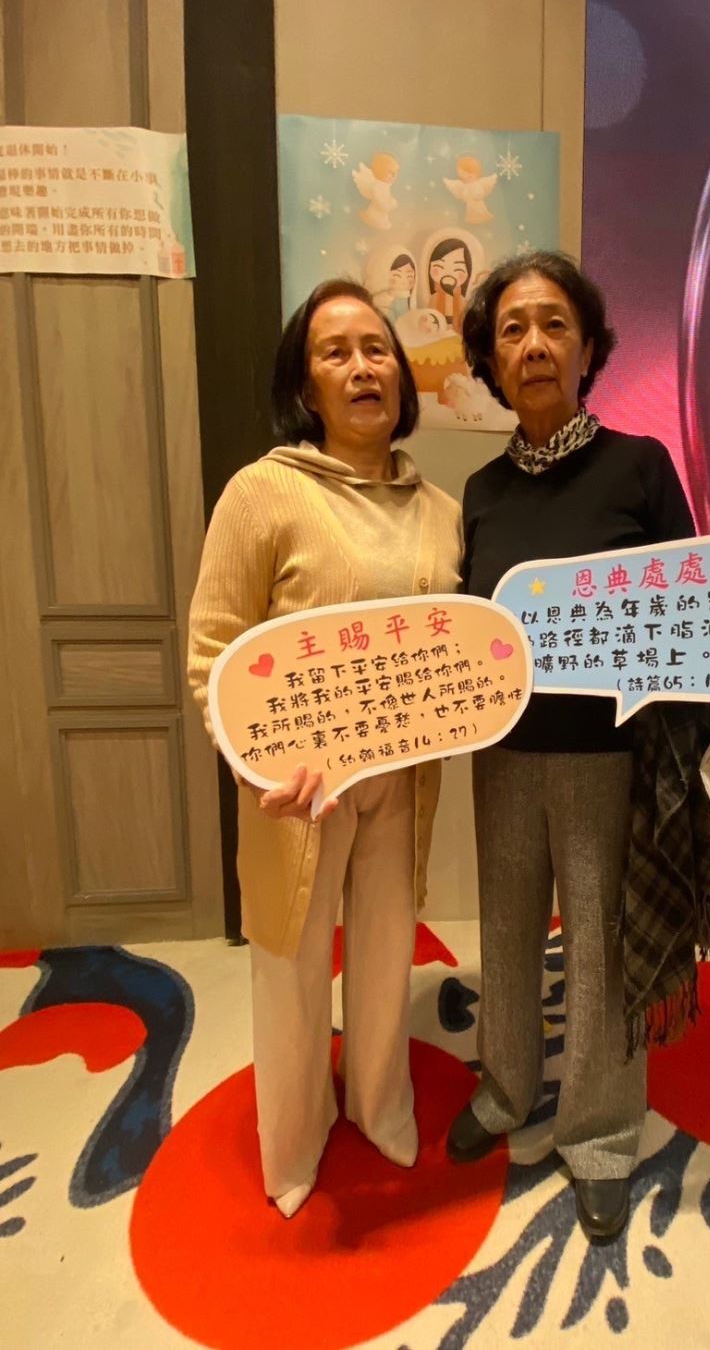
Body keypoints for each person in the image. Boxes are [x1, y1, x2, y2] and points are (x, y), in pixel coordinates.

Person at [446, 251, 710, 1240]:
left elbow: (706, 608)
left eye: (554, 325)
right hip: (502, 755)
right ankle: (506, 1087)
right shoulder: (478, 491)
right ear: (490, 360)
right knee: (507, 929)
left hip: (609, 760)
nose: (533, 344)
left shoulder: (638, 466)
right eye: (512, 329)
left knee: (601, 947)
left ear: (589, 349)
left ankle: (600, 1133)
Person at [188, 279, 462, 1218]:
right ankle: (295, 1138)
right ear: (306, 386)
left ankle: (381, 1105)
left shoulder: (440, 509)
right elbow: (212, 651)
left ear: (403, 375)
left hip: (403, 776)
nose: (361, 366)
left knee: (386, 950)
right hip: (297, 787)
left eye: (377, 348)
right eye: (335, 351)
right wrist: (256, 762)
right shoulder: (262, 492)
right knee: (292, 960)